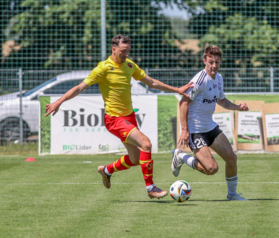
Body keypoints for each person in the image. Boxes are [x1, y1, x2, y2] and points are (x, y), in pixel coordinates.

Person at [45, 34, 193, 199]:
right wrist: (59, 101)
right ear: (113, 49)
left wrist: (177, 90)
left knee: (135, 159)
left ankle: (106, 170)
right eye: (123, 51)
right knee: (146, 143)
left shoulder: (129, 66)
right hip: (114, 119)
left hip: (129, 117)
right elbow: (79, 87)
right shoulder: (103, 68)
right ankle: (151, 188)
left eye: (128, 50)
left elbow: (151, 82)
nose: (126, 54)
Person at [172, 45, 249, 201]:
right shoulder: (199, 80)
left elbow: (221, 100)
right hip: (195, 130)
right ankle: (181, 156)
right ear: (204, 61)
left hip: (210, 127)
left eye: (217, 62)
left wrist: (237, 107)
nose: (214, 66)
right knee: (211, 169)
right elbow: (183, 103)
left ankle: (232, 195)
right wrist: (184, 130)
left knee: (231, 158)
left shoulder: (219, 78)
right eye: (211, 62)